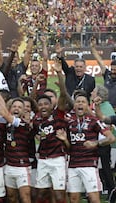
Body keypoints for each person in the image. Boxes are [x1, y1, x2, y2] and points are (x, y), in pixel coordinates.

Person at [59, 92, 115, 203]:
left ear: (87, 106)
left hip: (89, 165)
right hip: (73, 165)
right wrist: (65, 140)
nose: (80, 104)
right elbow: (70, 148)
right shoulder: (69, 122)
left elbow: (111, 138)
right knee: (74, 199)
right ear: (74, 105)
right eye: (78, 102)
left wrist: (96, 143)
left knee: (94, 198)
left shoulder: (95, 121)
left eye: (83, 102)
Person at [32, 58, 69, 203]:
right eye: (40, 104)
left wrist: (59, 73)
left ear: (50, 105)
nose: (43, 106)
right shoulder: (36, 120)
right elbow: (31, 99)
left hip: (58, 160)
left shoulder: (58, 114)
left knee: (59, 196)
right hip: (42, 159)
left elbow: (64, 96)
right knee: (41, 195)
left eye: (46, 104)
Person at [0, 88, 35, 203]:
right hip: (9, 165)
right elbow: (1, 114)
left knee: (25, 197)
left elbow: (5, 114)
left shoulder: (22, 124)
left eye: (20, 107)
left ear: (23, 111)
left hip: (22, 167)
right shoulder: (6, 124)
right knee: (11, 198)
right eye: (14, 106)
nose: (17, 108)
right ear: (11, 108)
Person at [91, 37, 116, 109]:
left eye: (115, 70)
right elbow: (99, 61)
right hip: (105, 107)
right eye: (112, 69)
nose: (113, 72)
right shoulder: (107, 74)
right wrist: (93, 47)